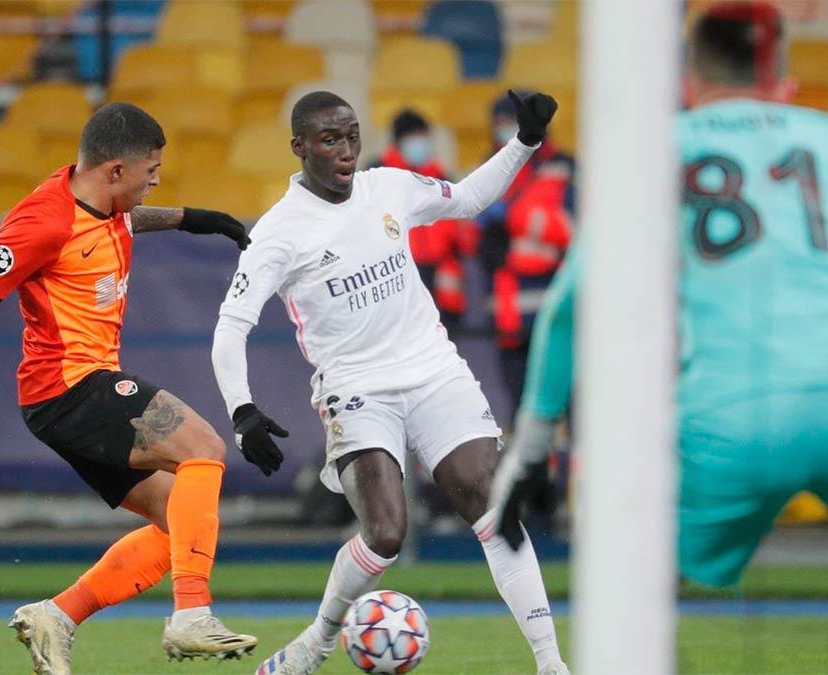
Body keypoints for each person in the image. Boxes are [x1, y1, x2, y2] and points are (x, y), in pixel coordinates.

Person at [490, 3, 828, 674]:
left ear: (687, 83)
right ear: (784, 82)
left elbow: (571, 305)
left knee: (633, 590)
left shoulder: (656, 149)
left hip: (732, 409)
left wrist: (533, 448)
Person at [0, 103, 259, 673]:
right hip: (71, 389)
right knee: (206, 447)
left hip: (69, 397)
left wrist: (195, 219)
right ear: (115, 170)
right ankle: (191, 615)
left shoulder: (104, 201)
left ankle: (57, 617)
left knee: (183, 522)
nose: (155, 179)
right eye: (151, 170)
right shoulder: (43, 222)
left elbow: (131, 219)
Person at [212, 90, 570, 675]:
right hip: (355, 387)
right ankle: (316, 644)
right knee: (384, 532)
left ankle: (550, 662)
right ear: (299, 148)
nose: (346, 150)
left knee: (490, 499)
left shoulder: (389, 188)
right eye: (330, 140)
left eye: (352, 135)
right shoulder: (279, 232)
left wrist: (523, 144)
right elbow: (230, 327)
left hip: (433, 369)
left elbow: (469, 199)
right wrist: (242, 410)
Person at [477, 92, 575, 418]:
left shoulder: (562, 167)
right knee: (520, 403)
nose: (503, 129)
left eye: (510, 122)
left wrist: (517, 220)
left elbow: (574, 226)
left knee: (569, 400)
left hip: (556, 297)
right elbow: (478, 239)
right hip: (508, 306)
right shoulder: (489, 168)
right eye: (499, 123)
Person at [371, 109, 475, 329]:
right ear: (399, 141)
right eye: (413, 136)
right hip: (397, 276)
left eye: (423, 136)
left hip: (439, 280)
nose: (420, 143)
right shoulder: (377, 177)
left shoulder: (439, 178)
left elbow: (457, 231)